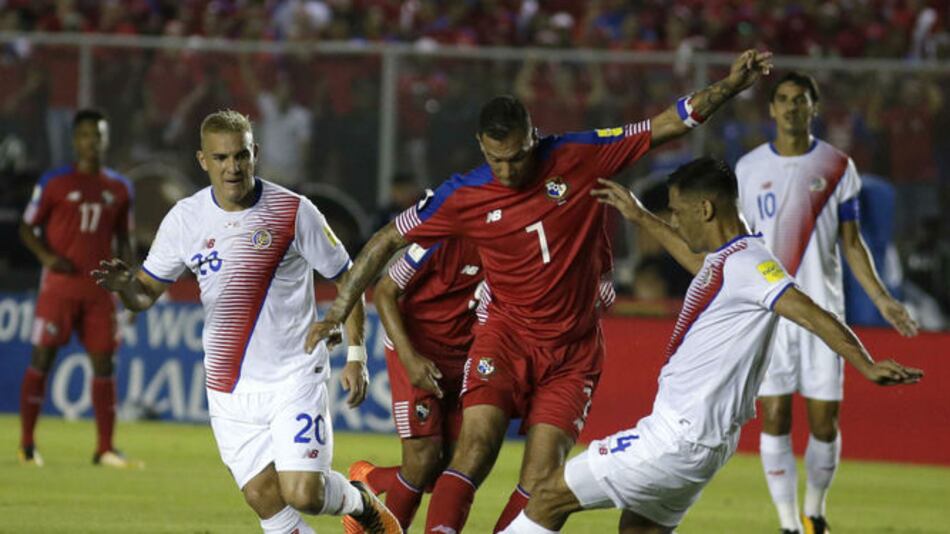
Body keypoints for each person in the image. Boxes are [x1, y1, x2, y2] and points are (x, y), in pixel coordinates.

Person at [306, 50, 775, 534]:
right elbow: (386, 241)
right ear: (481, 149)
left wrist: (730, 85)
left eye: (517, 158)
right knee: (474, 448)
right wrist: (340, 308)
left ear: (535, 137)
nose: (507, 172)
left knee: (542, 474)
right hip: (504, 337)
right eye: (495, 160)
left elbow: (667, 125)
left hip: (572, 352)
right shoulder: (462, 196)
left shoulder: (580, 154)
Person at [501, 157, 923, 534]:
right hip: (700, 445)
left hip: (677, 439)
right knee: (638, 530)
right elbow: (698, 263)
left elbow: (809, 310)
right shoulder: (732, 260)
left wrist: (865, 364)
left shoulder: (753, 266)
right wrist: (642, 217)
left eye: (678, 211)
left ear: (704, 209)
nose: (676, 219)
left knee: (547, 496)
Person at [91, 110, 401, 534]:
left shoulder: (293, 212)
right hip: (229, 385)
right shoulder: (184, 219)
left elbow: (349, 278)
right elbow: (144, 295)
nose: (232, 167)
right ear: (203, 161)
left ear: (254, 153)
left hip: (294, 373)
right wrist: (127, 285)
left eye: (240, 156)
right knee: (263, 497)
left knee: (304, 493)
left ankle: (360, 503)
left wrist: (356, 354)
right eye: (220, 158)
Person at [735, 72, 919, 534]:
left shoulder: (838, 166)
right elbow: (739, 245)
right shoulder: (748, 168)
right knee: (774, 416)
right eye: (783, 100)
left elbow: (852, 244)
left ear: (813, 107)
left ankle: (813, 510)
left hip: (823, 314)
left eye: (801, 99)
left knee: (823, 423)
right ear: (772, 109)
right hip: (771, 314)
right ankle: (787, 525)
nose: (792, 107)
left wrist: (882, 298)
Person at [18, 109, 135, 468]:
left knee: (104, 364)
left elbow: (124, 241)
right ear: (75, 140)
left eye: (98, 135)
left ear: (106, 139)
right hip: (59, 288)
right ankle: (27, 446)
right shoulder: (54, 182)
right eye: (85, 135)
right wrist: (47, 257)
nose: (92, 142)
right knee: (43, 359)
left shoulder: (119, 187)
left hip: (100, 293)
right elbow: (27, 227)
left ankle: (105, 448)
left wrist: (129, 282)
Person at [346, 237, 483, 532]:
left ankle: (374, 479)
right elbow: (384, 292)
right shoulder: (440, 237)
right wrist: (410, 360)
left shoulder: (515, 243)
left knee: (453, 469)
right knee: (422, 459)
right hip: (415, 352)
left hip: (465, 359)